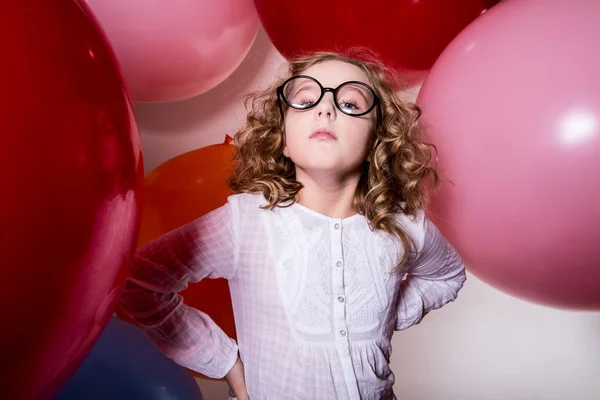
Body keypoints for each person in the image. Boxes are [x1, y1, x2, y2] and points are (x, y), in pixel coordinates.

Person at [118, 50, 466, 400]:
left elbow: (447, 275)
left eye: (350, 103)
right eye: (305, 100)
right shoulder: (246, 221)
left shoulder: (404, 225)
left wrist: (392, 310)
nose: (325, 108)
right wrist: (226, 363)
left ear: (378, 139)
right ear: (281, 138)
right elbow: (138, 282)